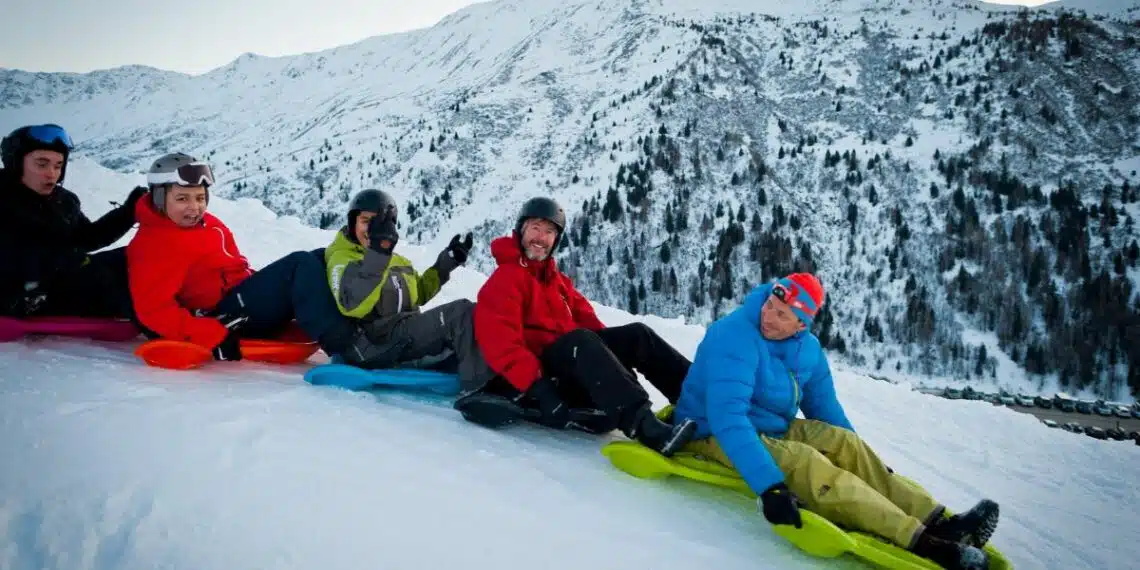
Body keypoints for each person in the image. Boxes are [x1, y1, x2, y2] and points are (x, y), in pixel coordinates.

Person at [672, 274, 999, 570]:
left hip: (767, 425)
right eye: (770, 305)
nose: (768, 316)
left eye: (781, 314)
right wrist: (770, 486)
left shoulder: (807, 350)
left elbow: (826, 409)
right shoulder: (734, 336)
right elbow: (727, 416)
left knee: (844, 443)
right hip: (710, 430)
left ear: (801, 325)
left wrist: (859, 463)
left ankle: (940, 522)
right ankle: (925, 543)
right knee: (807, 463)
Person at [465, 196, 696, 455]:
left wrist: (615, 368)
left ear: (555, 240)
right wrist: (540, 389)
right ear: (521, 231)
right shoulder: (506, 279)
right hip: (540, 377)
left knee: (636, 335)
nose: (541, 238)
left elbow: (595, 329)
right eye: (535, 229)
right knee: (580, 341)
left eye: (549, 232)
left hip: (574, 362)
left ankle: (699, 399)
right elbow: (501, 344)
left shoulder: (557, 282)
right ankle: (644, 428)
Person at [125, 152, 384, 363]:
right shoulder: (154, 243)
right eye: (182, 198)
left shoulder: (203, 223)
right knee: (300, 265)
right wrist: (211, 336)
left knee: (323, 258)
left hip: (241, 298)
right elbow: (152, 310)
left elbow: (231, 268)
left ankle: (370, 324)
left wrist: (269, 286)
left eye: (200, 198)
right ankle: (349, 348)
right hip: (226, 318)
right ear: (159, 198)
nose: (194, 207)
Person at [324, 188, 497, 389]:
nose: (372, 229)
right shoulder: (342, 259)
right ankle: (479, 390)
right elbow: (353, 305)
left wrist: (447, 263)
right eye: (366, 221)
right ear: (352, 222)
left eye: (379, 223)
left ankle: (504, 377)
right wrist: (378, 253)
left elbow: (419, 293)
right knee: (460, 314)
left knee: (478, 314)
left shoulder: (396, 259)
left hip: (405, 332)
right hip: (375, 343)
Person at [0, 123, 146, 319]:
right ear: (16, 163)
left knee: (141, 256)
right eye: (42, 164)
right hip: (27, 295)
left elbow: (87, 238)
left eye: (58, 165)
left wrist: (128, 212)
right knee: (118, 284)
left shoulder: (62, 200)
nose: (51, 173)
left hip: (69, 276)